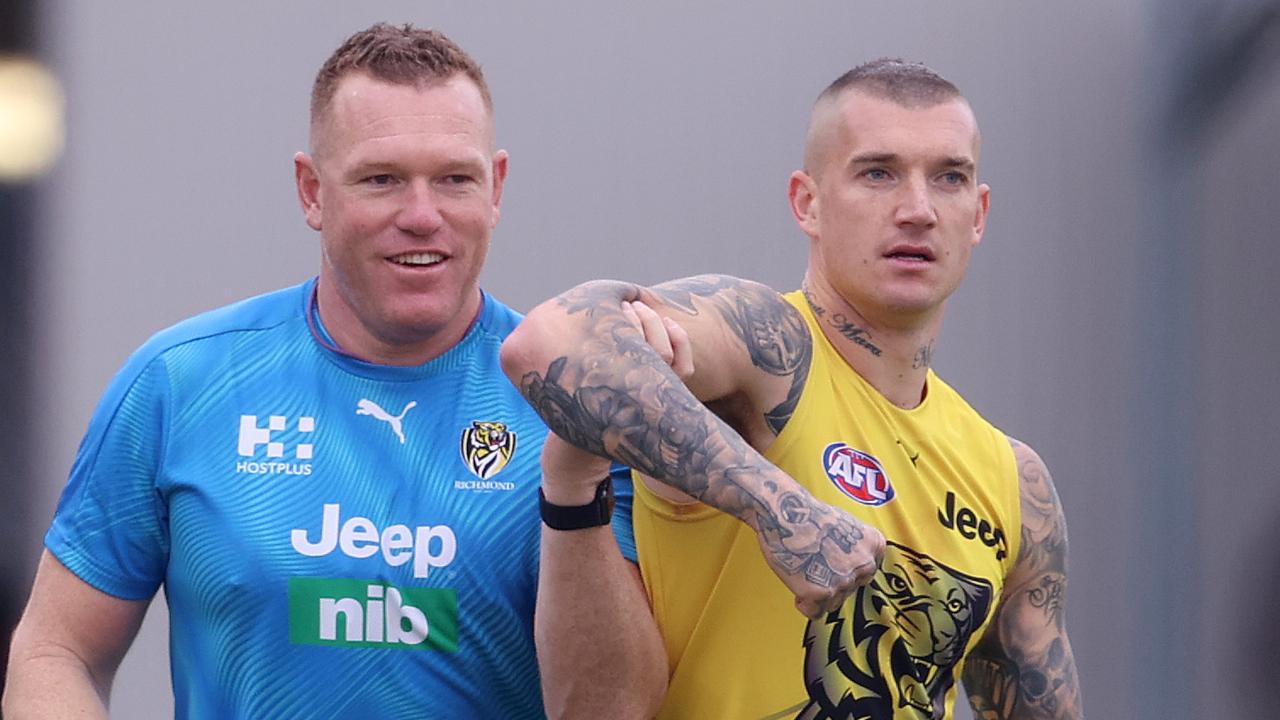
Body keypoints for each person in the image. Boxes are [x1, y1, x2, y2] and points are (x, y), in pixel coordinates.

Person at [1, 23, 663, 719]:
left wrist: (573, 481)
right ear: (311, 191)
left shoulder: (571, 409)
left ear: (495, 187)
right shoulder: (178, 383)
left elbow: (616, 710)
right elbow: (55, 651)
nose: (421, 215)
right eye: (381, 180)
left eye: (454, 179)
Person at [501, 59, 1084, 719]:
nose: (918, 210)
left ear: (977, 214)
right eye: (878, 172)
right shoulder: (770, 354)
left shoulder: (1015, 482)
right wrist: (779, 507)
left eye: (949, 177)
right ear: (808, 201)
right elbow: (549, 341)